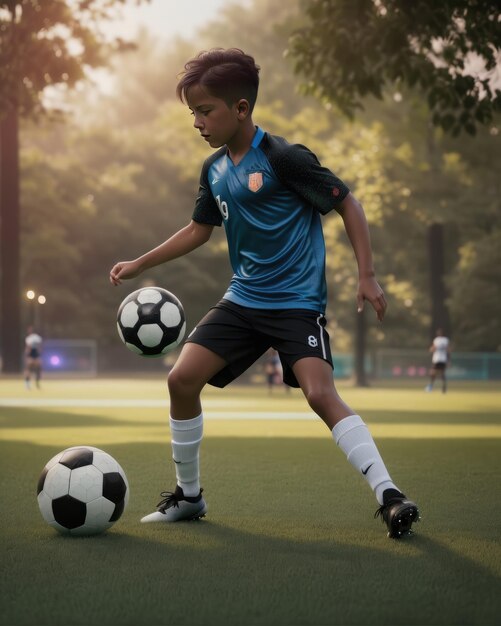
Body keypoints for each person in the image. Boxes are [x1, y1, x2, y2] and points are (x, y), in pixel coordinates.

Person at [109, 48, 419, 539]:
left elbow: (348, 204)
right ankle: (189, 497)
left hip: (296, 303)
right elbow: (198, 230)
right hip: (242, 300)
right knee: (181, 381)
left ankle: (390, 496)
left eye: (205, 111)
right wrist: (140, 263)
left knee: (320, 395)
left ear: (241, 109)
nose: (197, 122)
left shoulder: (285, 158)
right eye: (192, 112)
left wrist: (367, 274)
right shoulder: (213, 169)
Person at [426, 328, 451, 393]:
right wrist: (448, 360)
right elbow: (448, 350)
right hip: (441, 359)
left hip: (438, 359)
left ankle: (431, 386)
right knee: (441, 373)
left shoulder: (438, 340)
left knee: (434, 373)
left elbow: (433, 348)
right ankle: (443, 388)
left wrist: (431, 349)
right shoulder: (445, 340)